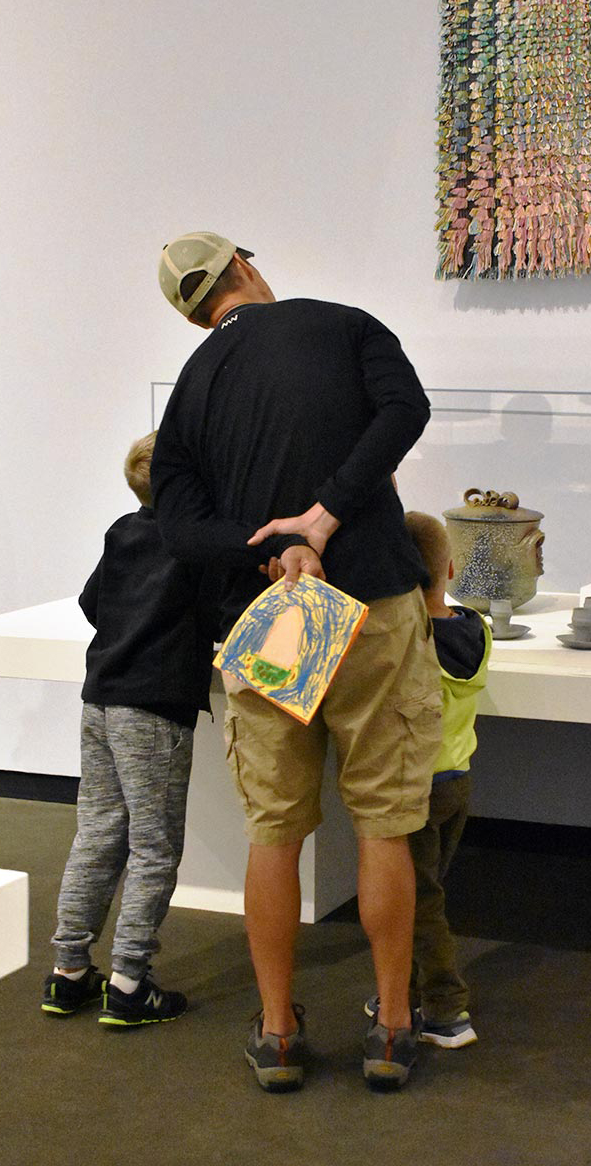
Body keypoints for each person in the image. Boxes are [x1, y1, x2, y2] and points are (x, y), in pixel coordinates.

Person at [152, 231, 442, 1090]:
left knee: (273, 832)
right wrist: (323, 519)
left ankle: (277, 1031)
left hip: (268, 618)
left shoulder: (193, 386)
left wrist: (269, 554)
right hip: (374, 603)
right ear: (244, 265)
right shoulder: (344, 324)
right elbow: (405, 412)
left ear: (194, 311)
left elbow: (176, 525)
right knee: (385, 822)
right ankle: (391, 1027)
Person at [41, 432, 215, 1027]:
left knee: (96, 833)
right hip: (155, 707)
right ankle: (129, 981)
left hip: (101, 697)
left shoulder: (122, 530)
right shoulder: (197, 544)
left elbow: (94, 604)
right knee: (154, 846)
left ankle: (68, 972)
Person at [365, 511, 491, 1049]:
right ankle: (406, 988)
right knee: (422, 893)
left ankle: (445, 1007)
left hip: (414, 785)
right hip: (457, 781)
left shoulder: (409, 642)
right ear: (452, 568)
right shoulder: (476, 629)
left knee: (420, 903)